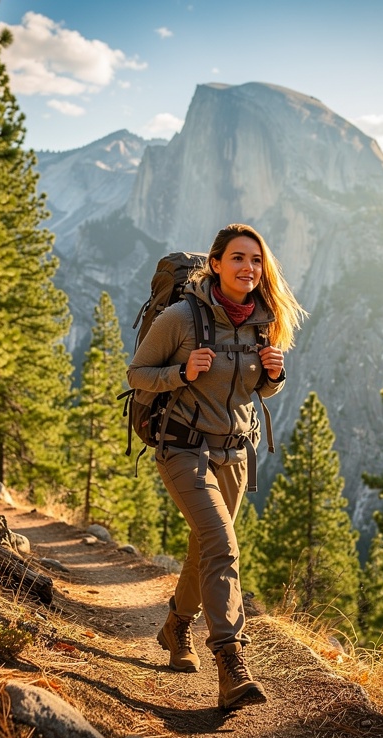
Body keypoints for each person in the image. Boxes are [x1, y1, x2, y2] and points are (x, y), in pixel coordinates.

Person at [127, 223, 306, 710]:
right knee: (222, 546)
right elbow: (136, 375)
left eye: (255, 260)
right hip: (183, 448)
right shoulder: (182, 318)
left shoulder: (263, 321)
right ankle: (231, 661)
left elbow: (258, 389)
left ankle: (176, 626)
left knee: (204, 548)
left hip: (233, 453)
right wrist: (182, 372)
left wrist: (274, 376)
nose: (248, 268)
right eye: (237, 259)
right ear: (216, 263)